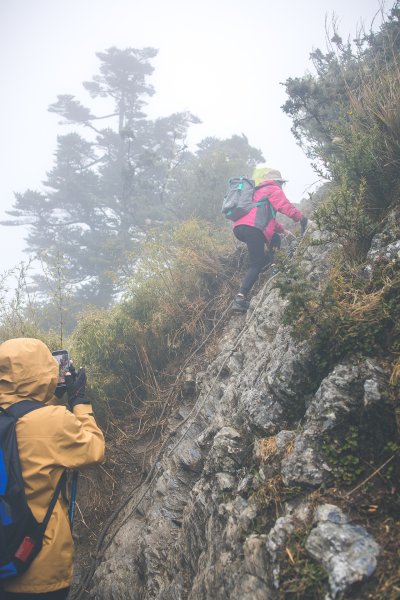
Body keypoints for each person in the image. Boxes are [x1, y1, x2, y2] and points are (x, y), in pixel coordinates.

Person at [0, 338, 105, 599]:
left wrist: (47, 398)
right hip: (40, 567)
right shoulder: (52, 421)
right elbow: (94, 449)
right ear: (43, 371)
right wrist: (79, 400)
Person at [232, 167, 308, 312]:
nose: (282, 186)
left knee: (275, 238)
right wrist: (302, 219)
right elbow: (285, 206)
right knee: (256, 264)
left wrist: (284, 230)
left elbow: (266, 219)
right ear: (277, 182)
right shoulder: (273, 189)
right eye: (281, 183)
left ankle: (275, 266)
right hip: (253, 228)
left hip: (241, 227)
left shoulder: (258, 190)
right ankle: (239, 299)